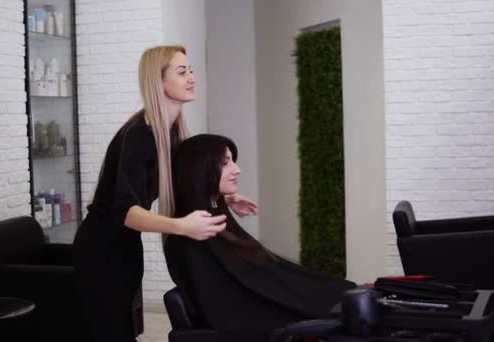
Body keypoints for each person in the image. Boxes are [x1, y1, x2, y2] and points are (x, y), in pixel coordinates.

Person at [73, 45, 258, 342]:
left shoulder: (169, 132)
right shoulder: (141, 135)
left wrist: (226, 198)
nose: (192, 78)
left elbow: (180, 181)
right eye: (182, 72)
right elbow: (125, 210)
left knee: (124, 330)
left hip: (125, 246)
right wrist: (181, 225)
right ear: (158, 82)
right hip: (101, 248)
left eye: (191, 70)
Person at [165, 134, 357, 342]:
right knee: (343, 305)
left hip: (251, 308)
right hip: (243, 319)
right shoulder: (194, 231)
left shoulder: (213, 213)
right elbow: (225, 301)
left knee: (344, 293)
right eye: (225, 163)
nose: (237, 170)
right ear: (200, 170)